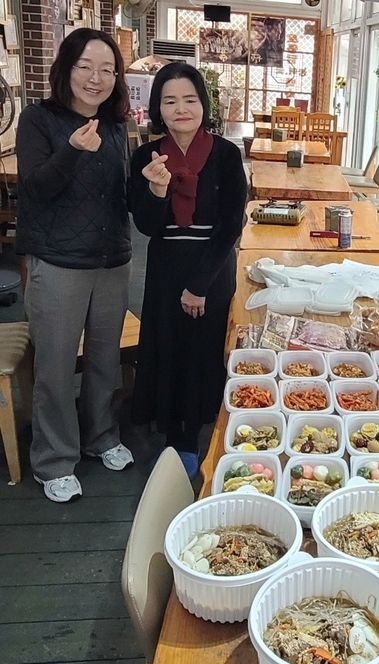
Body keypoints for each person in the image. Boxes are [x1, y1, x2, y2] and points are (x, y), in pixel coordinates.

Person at [17, 28, 133, 503]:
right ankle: (53, 459)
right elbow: (34, 189)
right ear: (65, 68)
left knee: (105, 360)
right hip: (58, 262)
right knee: (56, 366)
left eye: (107, 69)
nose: (96, 78)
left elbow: (121, 194)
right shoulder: (37, 119)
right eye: (85, 66)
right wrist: (72, 151)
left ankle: (100, 436)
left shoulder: (116, 125)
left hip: (111, 260)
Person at [129, 63, 247, 478]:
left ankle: (197, 436)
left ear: (203, 105)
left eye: (190, 100)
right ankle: (171, 432)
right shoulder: (145, 157)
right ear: (158, 108)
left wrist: (199, 285)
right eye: (170, 101)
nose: (181, 109)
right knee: (168, 347)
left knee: (203, 350)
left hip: (211, 268)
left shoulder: (226, 154)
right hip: (165, 268)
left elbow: (231, 225)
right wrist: (157, 190)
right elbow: (146, 225)